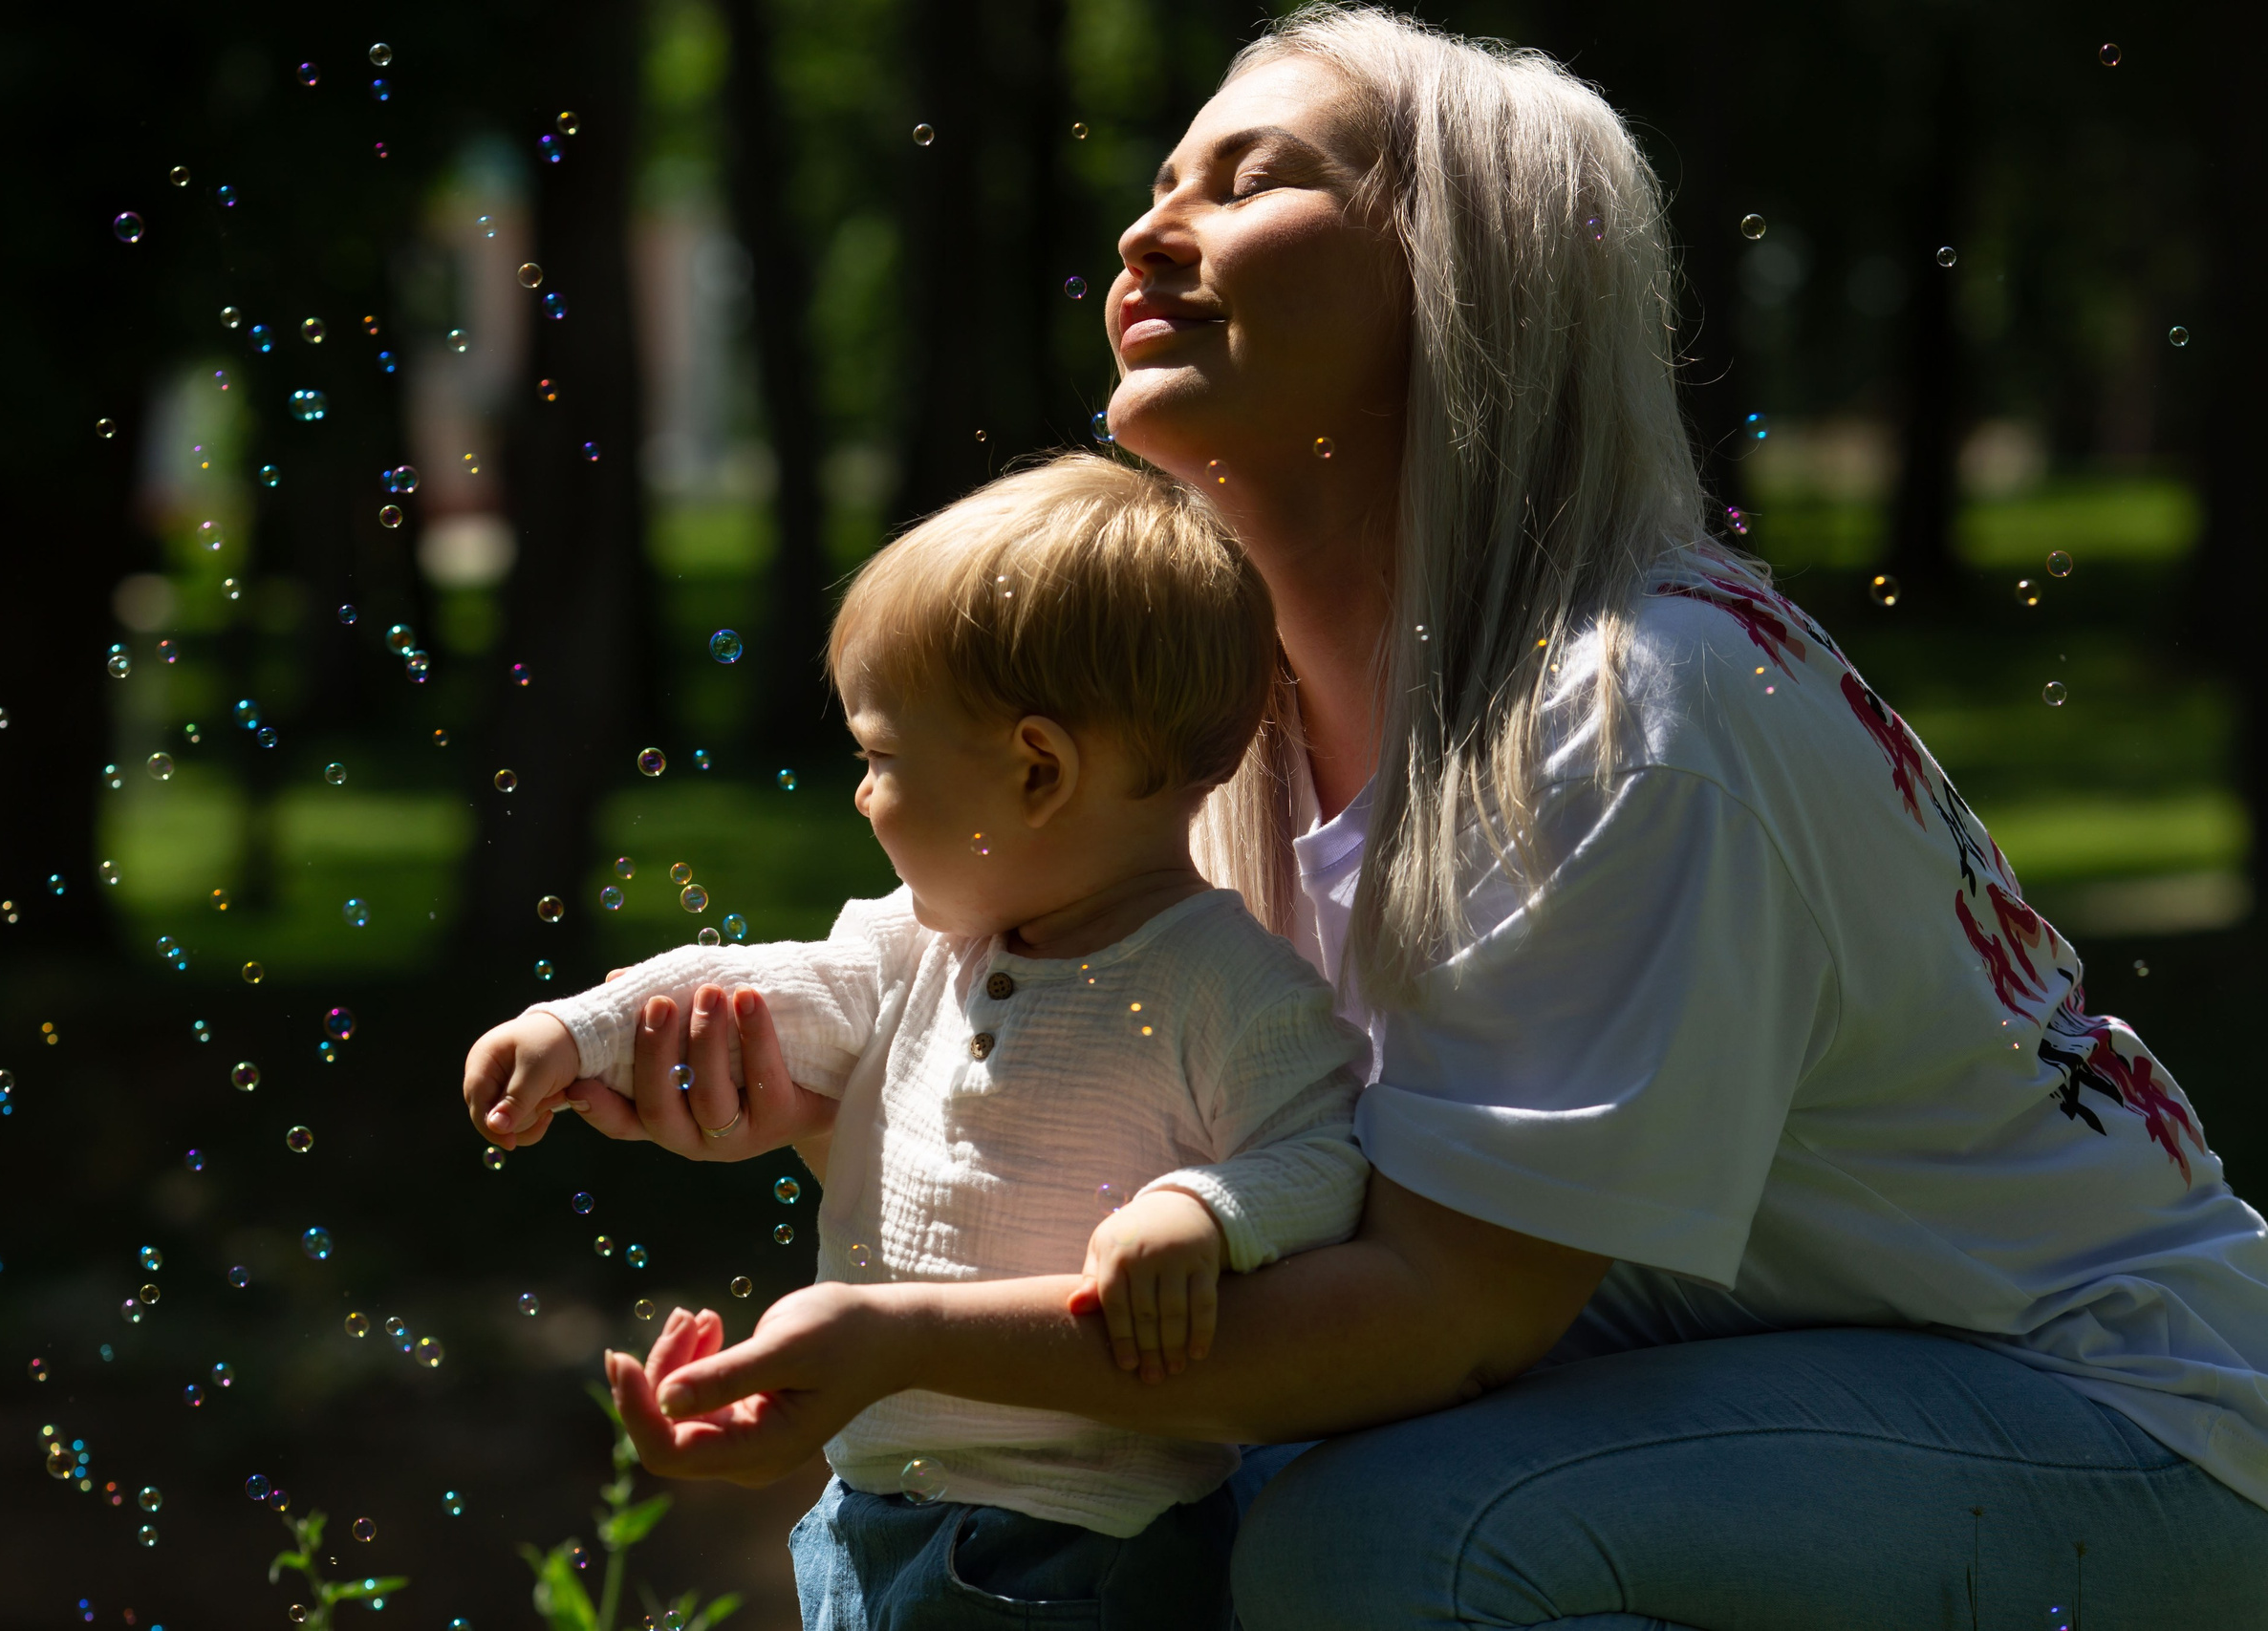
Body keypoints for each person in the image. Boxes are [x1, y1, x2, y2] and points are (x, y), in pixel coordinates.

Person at [556, 8, 2268, 1623]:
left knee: (1383, 1538)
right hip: (1706, 1384)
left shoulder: (1638, 708)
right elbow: (1195, 1219)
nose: (1148, 234)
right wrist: (849, 1108)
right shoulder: (1217, 731)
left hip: (2108, 1422)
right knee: (1116, 1504)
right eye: (1160, 184)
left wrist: (900, 1341)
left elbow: (1443, 1319)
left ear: (1468, 279)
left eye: (1249, 183)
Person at [462, 456, 1374, 1628]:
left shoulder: (1227, 987)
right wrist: (575, 1029)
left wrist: (1204, 1210)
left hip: (1073, 1550)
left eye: (881, 758)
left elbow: (1325, 1159)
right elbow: (762, 983)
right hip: (867, 1515)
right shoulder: (920, 943)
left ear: (1037, 771)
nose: (860, 795)